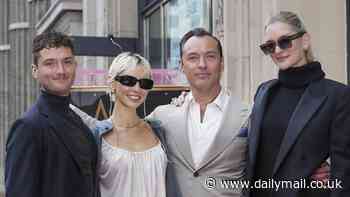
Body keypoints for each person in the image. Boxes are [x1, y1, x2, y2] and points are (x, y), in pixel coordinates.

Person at [247, 11, 350, 197]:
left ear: (305, 41)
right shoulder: (263, 92)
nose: (277, 50)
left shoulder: (338, 96)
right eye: (269, 46)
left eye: (285, 41)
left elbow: (343, 170)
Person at [5, 32, 99, 197]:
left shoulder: (78, 122)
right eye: (50, 63)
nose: (61, 70)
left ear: (75, 66)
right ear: (35, 71)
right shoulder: (28, 127)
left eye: (67, 62)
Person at [71, 52, 168, 197]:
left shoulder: (159, 130)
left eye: (144, 83)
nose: (137, 89)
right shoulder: (97, 137)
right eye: (128, 81)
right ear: (112, 82)